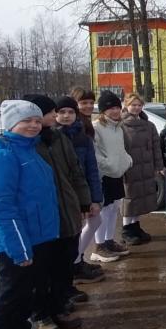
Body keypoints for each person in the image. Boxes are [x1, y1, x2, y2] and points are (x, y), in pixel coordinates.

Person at [0, 100, 59, 329]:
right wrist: (19, 249)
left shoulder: (29, 149)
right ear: (10, 123)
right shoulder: (3, 155)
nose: (34, 125)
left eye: (37, 121)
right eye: (26, 121)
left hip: (35, 238)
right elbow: (0, 206)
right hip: (17, 242)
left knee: (25, 295)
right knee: (11, 297)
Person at [23, 94, 91, 329]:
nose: (55, 116)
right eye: (51, 112)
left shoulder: (59, 138)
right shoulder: (28, 144)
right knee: (42, 271)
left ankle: (59, 307)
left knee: (64, 265)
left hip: (68, 212)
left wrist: (83, 199)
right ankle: (41, 316)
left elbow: (75, 171)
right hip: (44, 219)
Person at [55, 96, 104, 300]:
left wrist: (94, 198)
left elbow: (91, 169)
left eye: (70, 112)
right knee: (63, 240)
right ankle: (65, 280)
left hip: (81, 192)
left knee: (81, 230)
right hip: (61, 196)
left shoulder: (82, 136)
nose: (66, 116)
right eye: (62, 112)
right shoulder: (50, 138)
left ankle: (74, 266)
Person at [91, 91, 133, 263]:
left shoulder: (118, 127)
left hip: (117, 173)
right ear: (103, 110)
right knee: (103, 211)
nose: (115, 111)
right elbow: (95, 154)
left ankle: (108, 240)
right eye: (111, 108)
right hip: (104, 175)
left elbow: (121, 150)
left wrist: (126, 161)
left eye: (117, 107)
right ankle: (98, 246)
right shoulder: (96, 127)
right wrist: (109, 165)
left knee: (114, 208)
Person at [69, 87, 105, 283]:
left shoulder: (84, 124)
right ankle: (74, 263)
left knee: (93, 222)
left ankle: (77, 260)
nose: (89, 106)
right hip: (80, 185)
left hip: (90, 181)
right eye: (84, 103)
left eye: (91, 102)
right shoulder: (76, 127)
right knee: (88, 223)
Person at [120, 92, 165, 244]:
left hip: (145, 168)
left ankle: (135, 226)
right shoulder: (121, 125)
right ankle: (126, 230)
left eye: (139, 105)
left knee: (140, 199)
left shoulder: (148, 125)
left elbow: (155, 147)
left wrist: (158, 166)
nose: (136, 108)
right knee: (130, 199)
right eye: (133, 105)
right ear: (126, 105)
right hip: (129, 169)